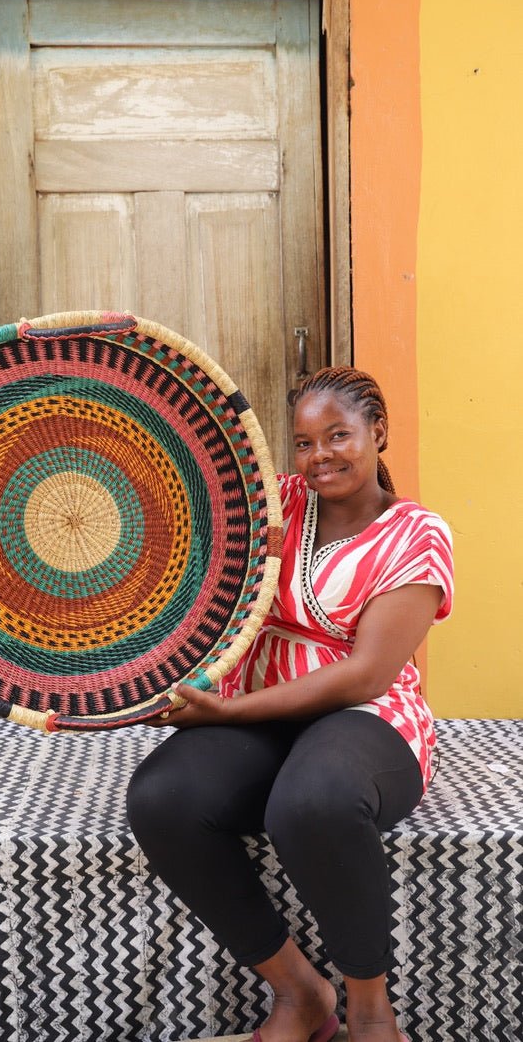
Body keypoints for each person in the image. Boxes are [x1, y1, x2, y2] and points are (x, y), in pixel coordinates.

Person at [126, 366, 454, 1042]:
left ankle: (371, 1011)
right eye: (304, 443)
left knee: (312, 802)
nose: (319, 456)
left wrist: (226, 714)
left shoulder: (417, 535)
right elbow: (184, 550)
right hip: (260, 705)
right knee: (162, 798)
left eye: (338, 435)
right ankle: (300, 994)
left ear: (378, 432)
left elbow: (366, 675)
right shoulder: (275, 504)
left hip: (365, 718)